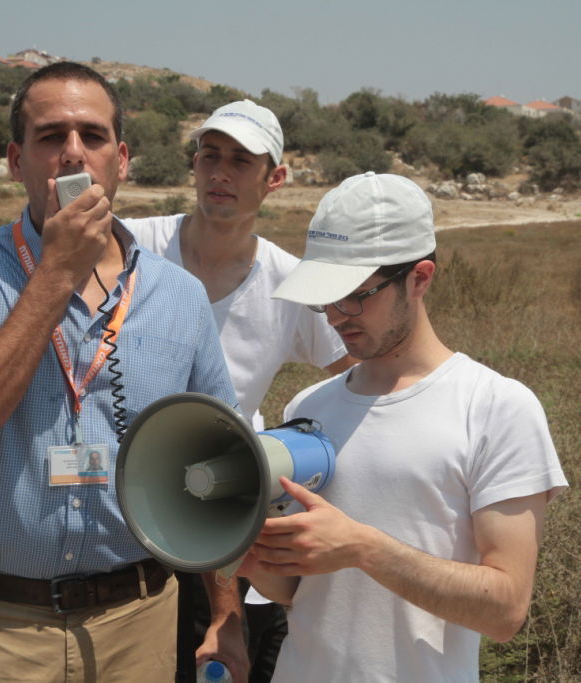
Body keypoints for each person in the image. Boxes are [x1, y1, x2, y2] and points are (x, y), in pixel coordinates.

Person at [0, 62, 248, 682]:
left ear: (120, 159)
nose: (72, 154)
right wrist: (55, 274)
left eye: (91, 136)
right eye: (49, 136)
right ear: (16, 160)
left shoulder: (177, 294)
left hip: (137, 623)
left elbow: (216, 464)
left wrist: (226, 616)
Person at [239, 172, 569, 682]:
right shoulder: (312, 404)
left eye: (353, 295)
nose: (333, 316)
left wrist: (364, 549)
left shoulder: (496, 408)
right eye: (323, 297)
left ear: (420, 278)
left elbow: (505, 609)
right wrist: (246, 548)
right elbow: (296, 593)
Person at [123, 100, 353, 682]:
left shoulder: (289, 282)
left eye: (241, 162)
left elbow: (357, 370)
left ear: (273, 179)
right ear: (194, 166)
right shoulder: (133, 247)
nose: (220, 173)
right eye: (210, 156)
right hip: (124, 515)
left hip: (227, 519)